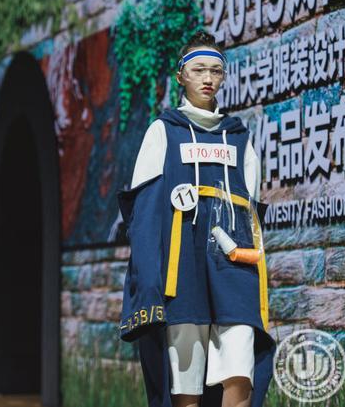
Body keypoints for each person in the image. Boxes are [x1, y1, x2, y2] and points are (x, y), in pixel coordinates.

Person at [117, 31, 275, 407]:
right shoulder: (163, 132)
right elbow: (143, 214)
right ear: (181, 76)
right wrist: (149, 283)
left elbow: (251, 215)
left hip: (234, 271)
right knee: (185, 385)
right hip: (183, 273)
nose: (208, 78)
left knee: (240, 372)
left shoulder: (239, 138)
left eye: (216, 71)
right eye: (199, 69)